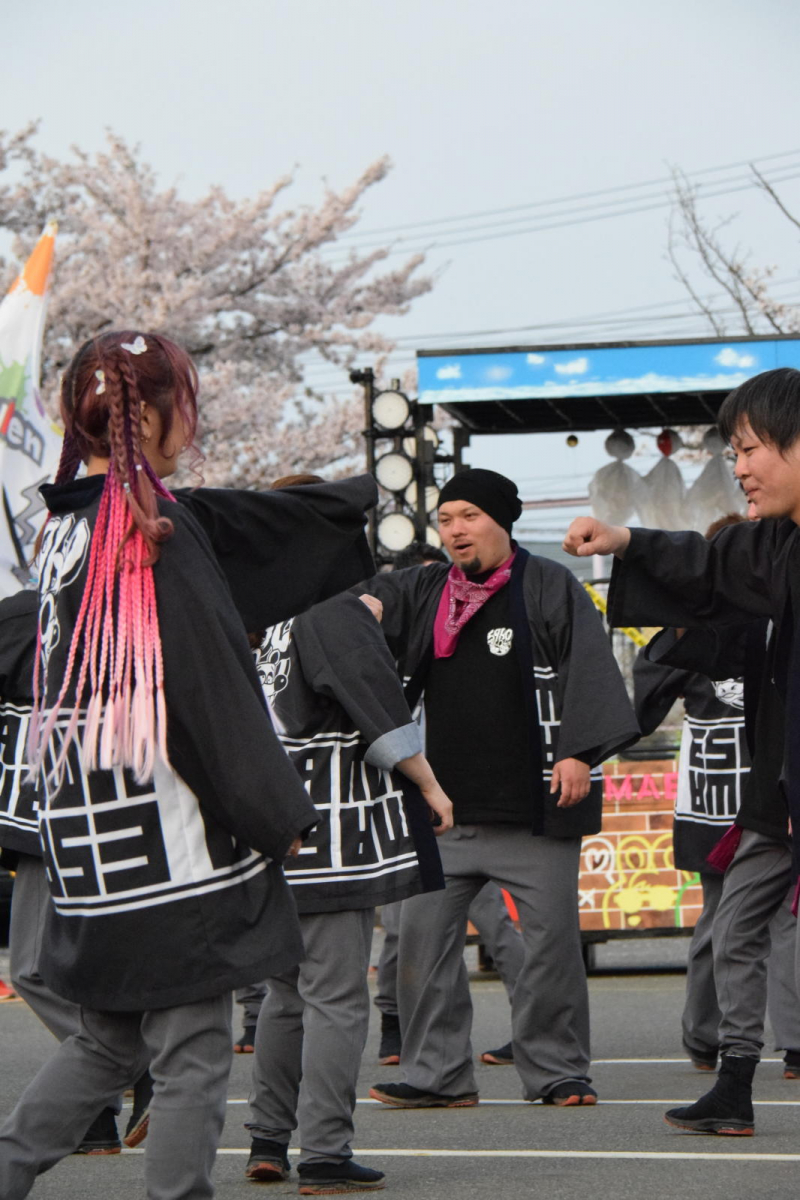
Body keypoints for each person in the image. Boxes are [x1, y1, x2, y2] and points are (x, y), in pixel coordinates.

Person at [0, 330, 356, 1200]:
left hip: (90, 832)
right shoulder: (151, 528)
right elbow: (208, 685)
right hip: (168, 837)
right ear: (155, 414)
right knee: (193, 1048)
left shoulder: (65, 527)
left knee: (107, 1039)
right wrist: (279, 814)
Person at [562, 365, 800, 1135]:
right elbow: (707, 566)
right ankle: (734, 1085)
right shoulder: (777, 547)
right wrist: (625, 538)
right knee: (734, 929)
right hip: (778, 790)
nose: (739, 469)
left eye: (752, 449)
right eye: (733, 452)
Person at [357, 468, 639, 1109]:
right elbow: (369, 606)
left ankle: (558, 1071)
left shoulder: (546, 584)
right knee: (422, 952)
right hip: (442, 809)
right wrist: (363, 608)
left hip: (534, 805)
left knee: (551, 951)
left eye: (468, 516)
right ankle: (437, 1075)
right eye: (446, 517)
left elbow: (587, 668)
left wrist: (577, 752)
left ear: (501, 521)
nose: (455, 529)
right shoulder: (427, 587)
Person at [244, 588, 452, 1194]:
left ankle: (267, 1138)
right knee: (335, 998)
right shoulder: (331, 613)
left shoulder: (269, 622)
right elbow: (381, 711)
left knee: (285, 996)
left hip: (275, 826)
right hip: (332, 833)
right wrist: (431, 786)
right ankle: (326, 1152)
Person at [374, 539, 525, 1069]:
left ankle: (530, 1031)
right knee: (403, 930)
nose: (438, 597)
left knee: (499, 928)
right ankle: (398, 1029)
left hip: (460, 808)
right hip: (404, 806)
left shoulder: (470, 641)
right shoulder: (383, 648)